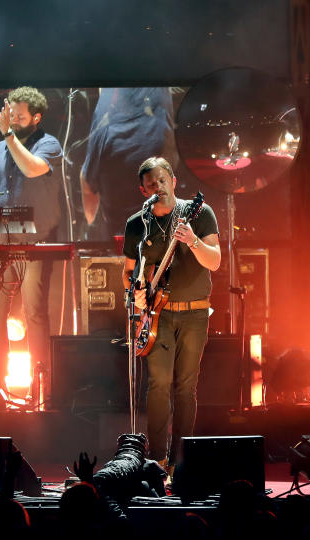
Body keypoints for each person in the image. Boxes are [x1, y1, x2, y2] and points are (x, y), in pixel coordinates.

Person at [121, 157, 221, 476]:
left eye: (163, 180)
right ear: (143, 190)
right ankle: (157, 460)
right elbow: (128, 272)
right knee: (158, 383)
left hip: (194, 313)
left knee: (185, 386)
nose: (158, 187)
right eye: (151, 184)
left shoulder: (199, 213)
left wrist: (191, 240)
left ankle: (182, 461)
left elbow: (215, 261)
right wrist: (135, 290)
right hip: (157, 315)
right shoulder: (137, 224)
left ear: (174, 181)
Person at [0, 87, 62, 396]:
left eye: (19, 117)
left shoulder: (48, 144)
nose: (13, 121)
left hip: (36, 242)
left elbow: (33, 169)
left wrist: (7, 135)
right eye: (10, 115)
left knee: (34, 311)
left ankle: (42, 386)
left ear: (36, 117)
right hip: (1, 243)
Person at [80, 88, 176, 241]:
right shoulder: (158, 128)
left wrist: (90, 226)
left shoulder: (105, 133)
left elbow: (87, 184)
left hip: (121, 232)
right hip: (158, 231)